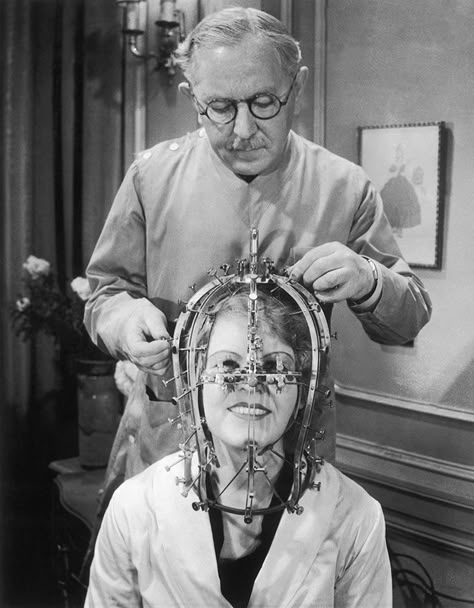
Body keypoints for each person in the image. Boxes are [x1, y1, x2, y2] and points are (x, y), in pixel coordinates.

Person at [84, 7, 431, 473]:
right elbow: (104, 295)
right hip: (172, 456)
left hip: (296, 463)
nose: (244, 131)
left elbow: (408, 318)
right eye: (221, 108)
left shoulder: (345, 188)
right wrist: (124, 320)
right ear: (192, 97)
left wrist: (369, 280)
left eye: (264, 102)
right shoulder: (150, 177)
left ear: (298, 88)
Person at [84, 261, 392, 608]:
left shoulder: (356, 517)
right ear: (195, 379)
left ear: (303, 386)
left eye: (274, 367)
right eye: (228, 365)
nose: (251, 383)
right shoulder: (134, 509)